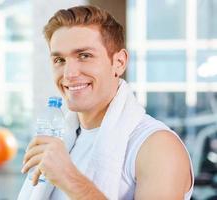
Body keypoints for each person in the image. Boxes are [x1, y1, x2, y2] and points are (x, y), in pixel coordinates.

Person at [18, 5, 194, 200]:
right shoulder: (63, 141)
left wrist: (69, 178)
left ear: (119, 62)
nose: (69, 74)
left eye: (84, 56)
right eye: (59, 60)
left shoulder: (157, 146)